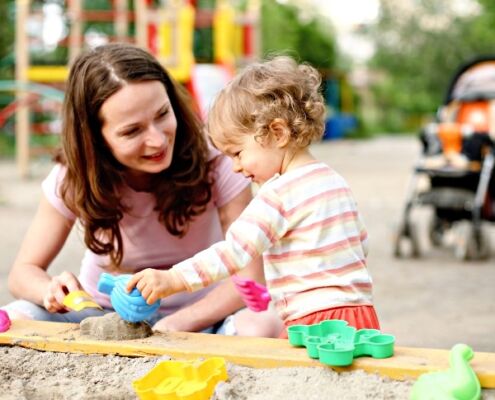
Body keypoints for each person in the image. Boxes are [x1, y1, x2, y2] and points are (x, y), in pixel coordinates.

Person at [2, 43, 282, 337]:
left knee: (264, 323)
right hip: (100, 315)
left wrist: (177, 324)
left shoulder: (218, 158)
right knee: (16, 315)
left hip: (201, 315)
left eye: (162, 114)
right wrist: (49, 289)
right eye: (132, 131)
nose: (158, 141)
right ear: (95, 139)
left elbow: (250, 280)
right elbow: (23, 272)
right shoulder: (72, 177)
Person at [127, 56, 381, 338]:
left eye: (238, 153)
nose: (235, 166)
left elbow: (233, 253)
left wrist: (174, 278)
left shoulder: (278, 194)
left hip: (313, 321)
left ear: (277, 132)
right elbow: (360, 243)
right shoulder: (334, 181)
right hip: (361, 315)